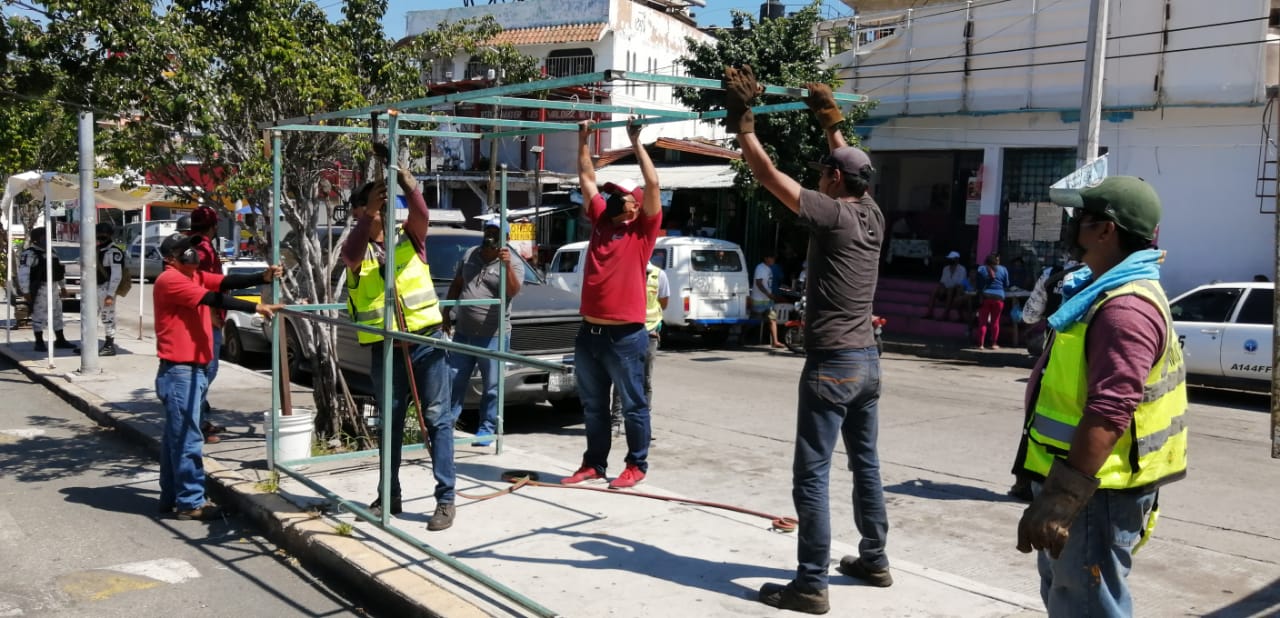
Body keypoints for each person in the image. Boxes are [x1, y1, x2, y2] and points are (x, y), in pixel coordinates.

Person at [724, 67, 889, 614]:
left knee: (811, 474)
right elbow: (849, 160)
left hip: (833, 363)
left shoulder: (832, 214)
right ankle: (874, 557)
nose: (819, 178)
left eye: (823, 173)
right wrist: (830, 121)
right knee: (864, 463)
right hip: (867, 360)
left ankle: (811, 583)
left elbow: (770, 176)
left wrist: (745, 125)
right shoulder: (872, 213)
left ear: (835, 183)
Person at [1016, 176, 1187, 616]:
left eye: (1082, 218)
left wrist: (1063, 497)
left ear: (1106, 230)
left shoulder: (1123, 308)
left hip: (1095, 494)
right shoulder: (1097, 293)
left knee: (1086, 607)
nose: (1073, 228)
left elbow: (1110, 413)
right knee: (1070, 599)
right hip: (1086, 487)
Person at [341, 157, 456, 531]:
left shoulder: (410, 241)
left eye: (383, 207)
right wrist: (367, 215)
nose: (381, 213)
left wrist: (409, 187)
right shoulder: (359, 252)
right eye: (373, 208)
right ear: (362, 212)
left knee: (437, 419)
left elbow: (420, 213)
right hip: (388, 351)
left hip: (425, 342)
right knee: (389, 424)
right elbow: (351, 254)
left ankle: (445, 500)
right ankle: (388, 495)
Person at [561, 118, 662, 490]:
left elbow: (653, 184)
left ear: (635, 206)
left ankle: (636, 465)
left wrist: (637, 143)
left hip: (626, 336)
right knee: (592, 405)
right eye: (613, 194)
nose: (613, 198)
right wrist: (583, 139)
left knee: (633, 405)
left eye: (621, 195)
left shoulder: (642, 230)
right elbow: (587, 177)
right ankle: (594, 463)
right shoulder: (601, 220)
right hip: (590, 332)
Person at [153, 232, 282, 520]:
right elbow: (215, 298)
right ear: (170, 259)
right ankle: (190, 503)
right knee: (187, 439)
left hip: (190, 371)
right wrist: (255, 307)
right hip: (180, 372)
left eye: (192, 248)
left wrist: (263, 277)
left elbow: (225, 282)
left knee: (177, 438)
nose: (192, 253)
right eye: (184, 250)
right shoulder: (170, 280)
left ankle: (172, 498)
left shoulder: (192, 276)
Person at [443, 219, 524, 448]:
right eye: (488, 230)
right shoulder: (470, 254)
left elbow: (512, 291)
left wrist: (505, 265)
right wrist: (446, 310)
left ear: (505, 237)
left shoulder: (513, 262)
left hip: (493, 336)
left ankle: (487, 429)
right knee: (454, 379)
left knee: (492, 386)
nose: (489, 235)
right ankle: (446, 425)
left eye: (495, 232)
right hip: (464, 333)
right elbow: (458, 283)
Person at [609, 261, 670, 436]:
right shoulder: (624, 272)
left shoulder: (659, 275)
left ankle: (642, 425)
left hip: (649, 333)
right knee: (623, 379)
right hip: (627, 334)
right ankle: (616, 423)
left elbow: (663, 303)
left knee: (645, 381)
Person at [185, 206, 227, 443]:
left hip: (200, 316)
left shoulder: (191, 246)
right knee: (205, 372)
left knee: (203, 373)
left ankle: (199, 421)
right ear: (213, 226)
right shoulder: (204, 249)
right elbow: (204, 286)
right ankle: (196, 426)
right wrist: (212, 314)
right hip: (206, 318)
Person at [17, 229, 78, 353]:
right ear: (37, 238)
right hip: (39, 288)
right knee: (39, 315)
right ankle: (39, 342)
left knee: (57, 314)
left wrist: (63, 287)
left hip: (54, 287)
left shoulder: (52, 252)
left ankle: (60, 339)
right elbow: (23, 274)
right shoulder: (29, 254)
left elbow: (59, 272)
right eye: (44, 236)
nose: (47, 239)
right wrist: (26, 292)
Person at [95, 222, 127, 356]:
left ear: (110, 235)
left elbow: (116, 275)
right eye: (99, 234)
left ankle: (109, 345)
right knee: (89, 317)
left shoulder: (113, 251)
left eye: (104, 234)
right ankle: (89, 346)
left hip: (106, 288)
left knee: (107, 317)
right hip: (94, 288)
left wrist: (110, 294)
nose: (101, 237)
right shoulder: (97, 249)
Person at [975, 253, 1011, 350]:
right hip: (999, 298)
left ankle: (981, 345)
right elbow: (1007, 284)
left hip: (985, 297)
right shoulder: (1003, 269)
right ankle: (994, 344)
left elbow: (978, 284)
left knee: (983, 322)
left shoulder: (981, 269)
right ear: (997, 261)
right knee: (995, 322)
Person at [751, 251, 784, 348]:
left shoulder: (769, 268)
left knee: (772, 319)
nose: (773, 260)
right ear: (766, 258)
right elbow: (759, 283)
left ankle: (775, 341)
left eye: (774, 258)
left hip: (768, 300)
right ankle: (743, 335)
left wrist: (769, 295)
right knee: (754, 320)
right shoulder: (760, 268)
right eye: (772, 258)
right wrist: (768, 294)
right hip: (759, 299)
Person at [924, 250, 966, 321]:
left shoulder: (962, 269)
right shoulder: (945, 268)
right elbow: (942, 281)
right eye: (950, 258)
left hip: (956, 290)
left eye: (952, 258)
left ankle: (946, 314)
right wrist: (942, 287)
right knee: (935, 289)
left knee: (950, 290)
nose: (950, 260)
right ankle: (929, 312)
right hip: (946, 289)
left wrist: (950, 288)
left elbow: (961, 284)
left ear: (956, 259)